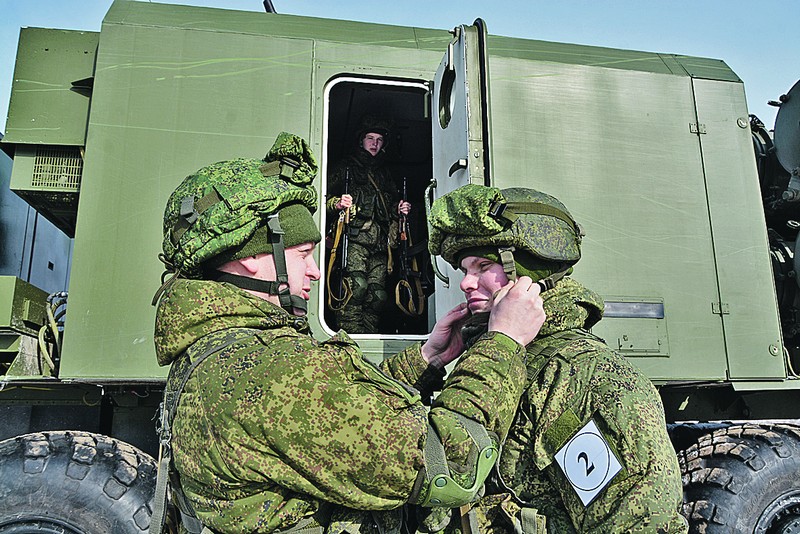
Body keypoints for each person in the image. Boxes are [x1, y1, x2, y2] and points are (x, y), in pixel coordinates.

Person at [150, 133, 546, 534]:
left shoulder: (220, 352)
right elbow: (452, 464)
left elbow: (335, 415)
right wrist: (504, 342)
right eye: (304, 255)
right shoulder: (275, 372)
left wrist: (426, 357)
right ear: (252, 258)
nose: (315, 271)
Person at [425, 184, 689, 533]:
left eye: (483, 265)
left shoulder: (583, 378)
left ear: (529, 271)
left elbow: (636, 522)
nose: (466, 283)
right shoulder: (499, 360)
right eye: (464, 271)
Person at [326, 116, 411, 333]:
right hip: (355, 238)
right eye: (370, 138)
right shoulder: (346, 168)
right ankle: (349, 337)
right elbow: (320, 197)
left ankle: (367, 337)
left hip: (380, 242)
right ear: (361, 141)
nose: (375, 144)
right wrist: (336, 203)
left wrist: (399, 209)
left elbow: (389, 203)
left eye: (379, 140)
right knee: (356, 286)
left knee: (378, 296)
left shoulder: (383, 173)